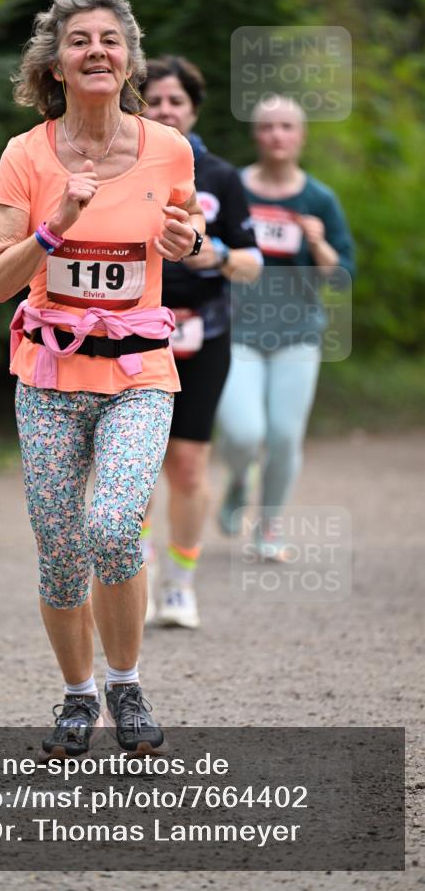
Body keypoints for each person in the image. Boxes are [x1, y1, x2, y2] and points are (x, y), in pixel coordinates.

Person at [0, 0, 204, 757]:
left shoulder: (166, 148)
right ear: (54, 63)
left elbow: (187, 230)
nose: (97, 51)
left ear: (129, 58)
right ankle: (77, 699)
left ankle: (126, 685)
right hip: (47, 377)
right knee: (58, 546)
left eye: (111, 39)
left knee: (112, 526)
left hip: (139, 374)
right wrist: (56, 228)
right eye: (79, 40)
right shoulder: (26, 154)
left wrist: (189, 241)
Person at [139, 56, 262, 629]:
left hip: (205, 332)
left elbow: (254, 260)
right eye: (155, 100)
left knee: (188, 466)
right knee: (131, 463)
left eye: (176, 101)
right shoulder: (122, 168)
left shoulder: (221, 176)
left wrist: (219, 256)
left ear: (193, 108)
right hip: (133, 332)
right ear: (138, 104)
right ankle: (131, 570)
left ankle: (180, 583)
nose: (165, 110)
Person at [216, 94, 355, 559]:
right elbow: (209, 253)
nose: (277, 135)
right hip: (239, 332)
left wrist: (319, 246)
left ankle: (269, 526)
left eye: (286, 127)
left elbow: (342, 275)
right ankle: (239, 480)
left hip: (297, 334)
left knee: (283, 436)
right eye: (268, 127)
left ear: (301, 136)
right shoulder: (234, 186)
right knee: (242, 432)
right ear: (256, 135)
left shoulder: (318, 198)